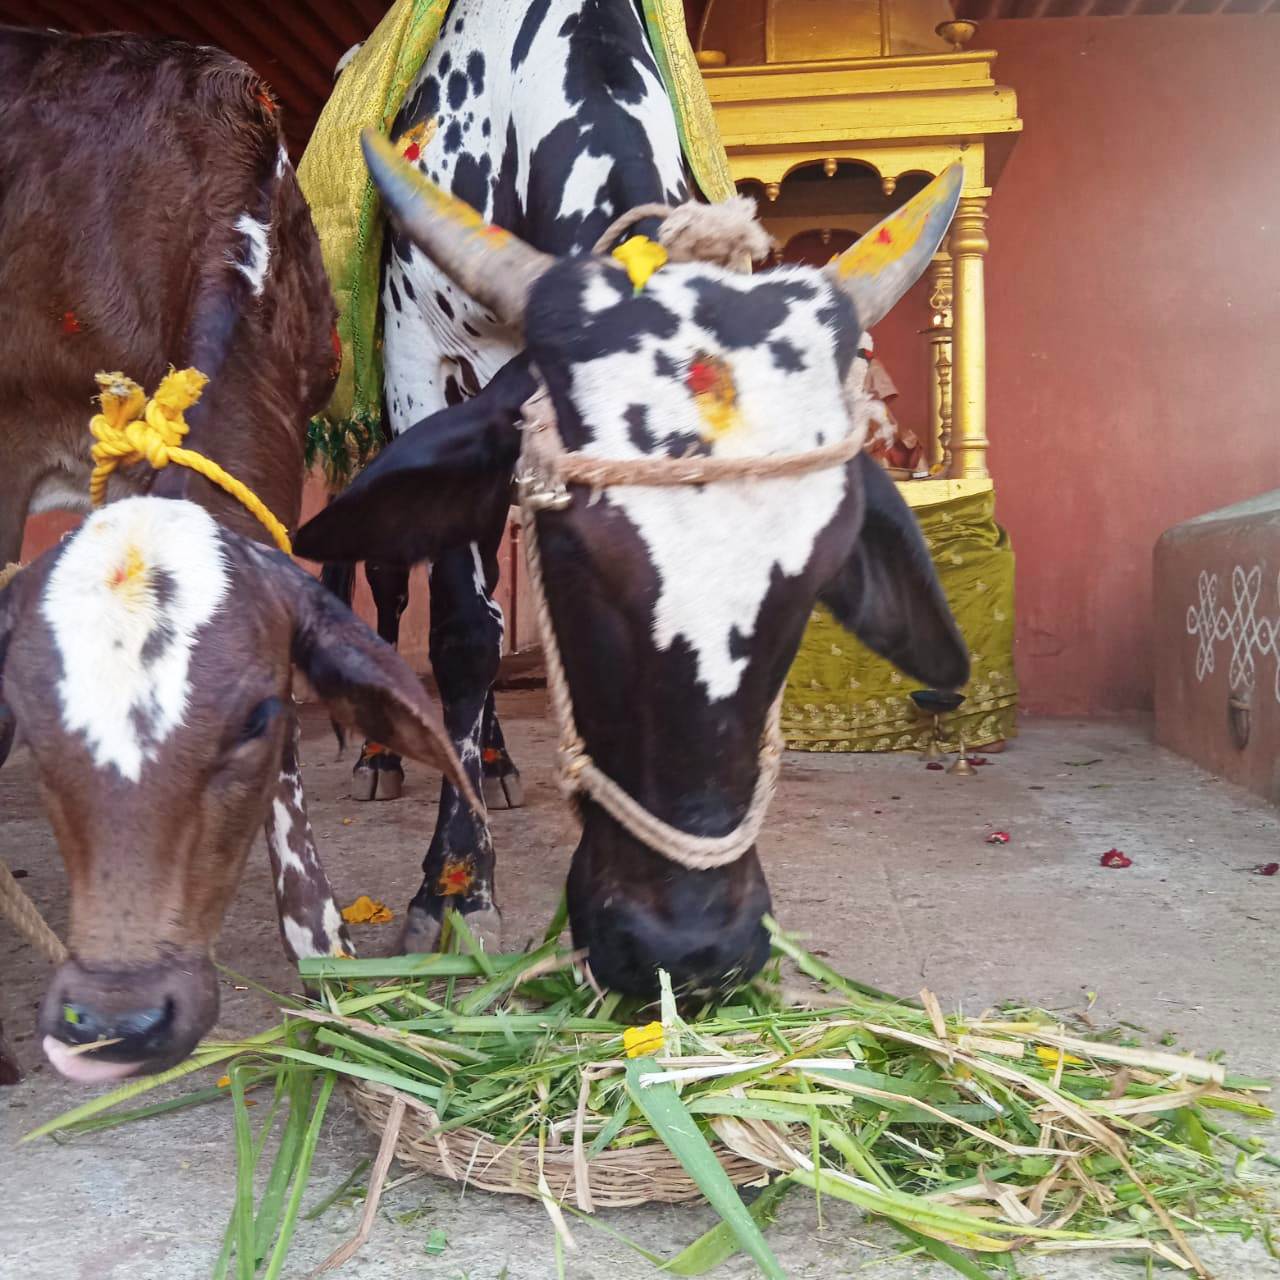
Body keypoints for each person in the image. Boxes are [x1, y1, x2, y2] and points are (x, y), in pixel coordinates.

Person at [860, 334, 925, 473]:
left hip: (873, 421)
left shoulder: (872, 365)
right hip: (856, 433)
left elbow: (890, 424)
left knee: (910, 444)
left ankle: (919, 476)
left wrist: (901, 435)